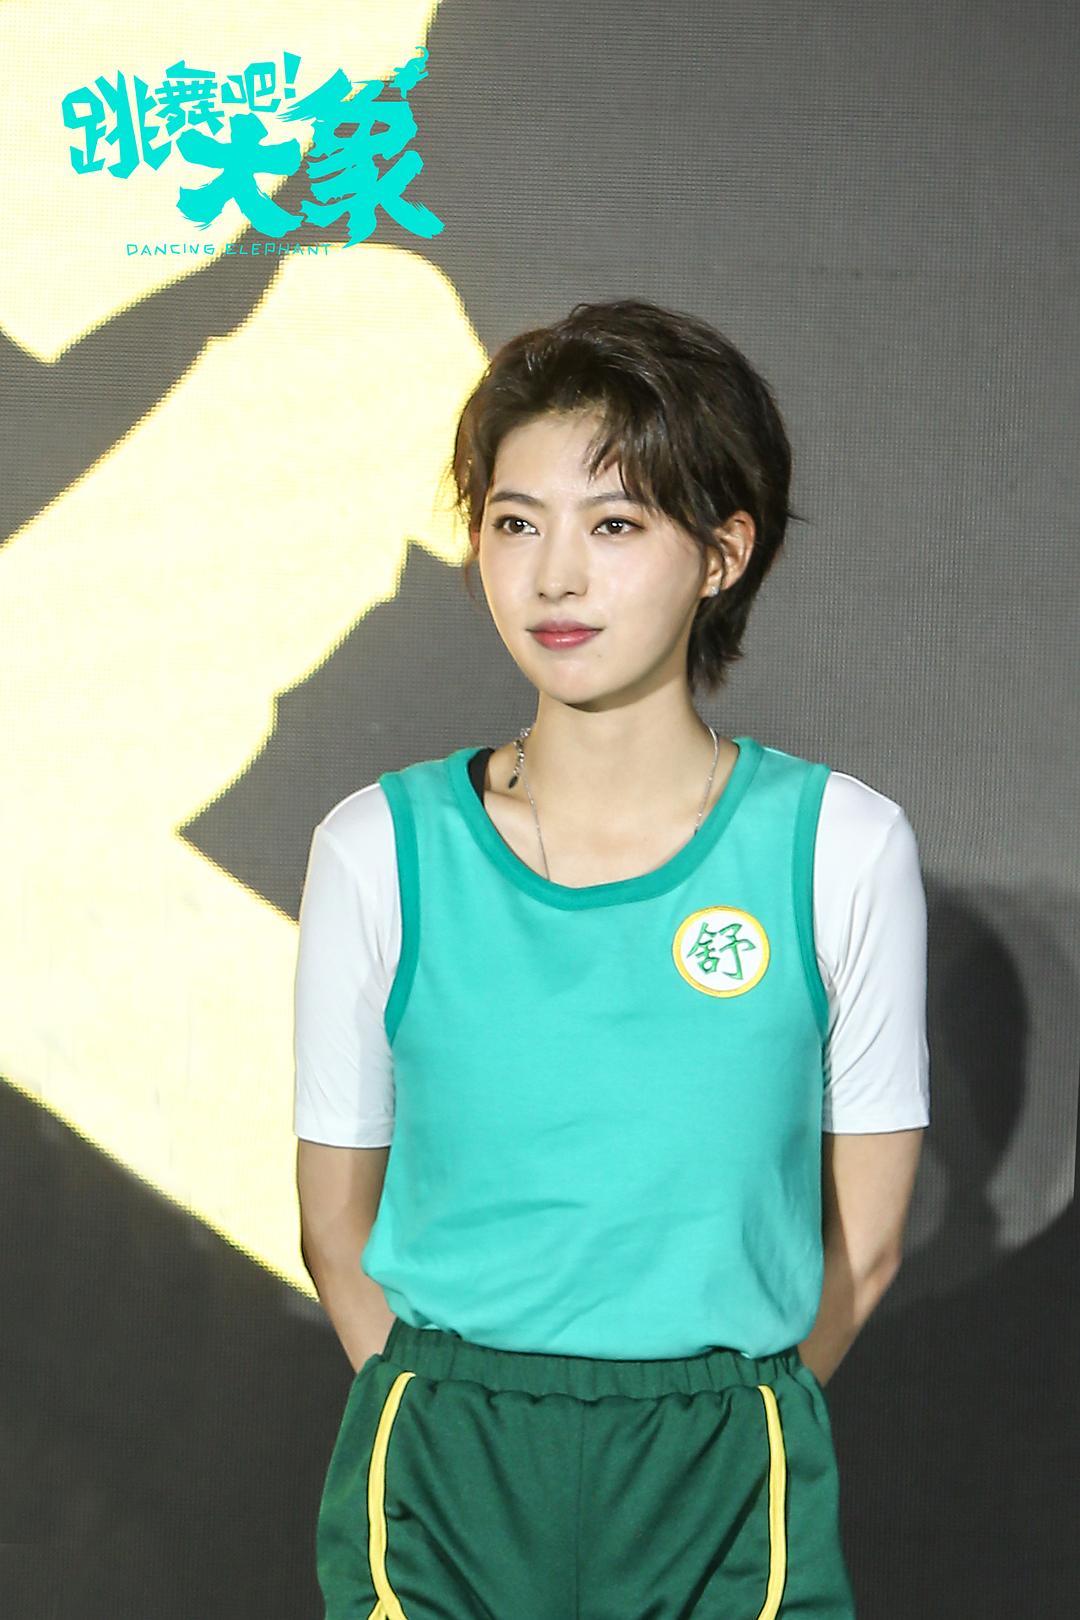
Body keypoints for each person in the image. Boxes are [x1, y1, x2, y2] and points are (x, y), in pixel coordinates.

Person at [293, 297, 930, 1618]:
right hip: (445, 1467)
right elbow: (334, 1228)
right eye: (516, 522)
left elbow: (863, 1246)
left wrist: (717, 1413)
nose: (555, 578)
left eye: (617, 524)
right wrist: (459, 1412)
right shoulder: (378, 848)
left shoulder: (840, 847)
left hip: (722, 1468)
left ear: (723, 552)